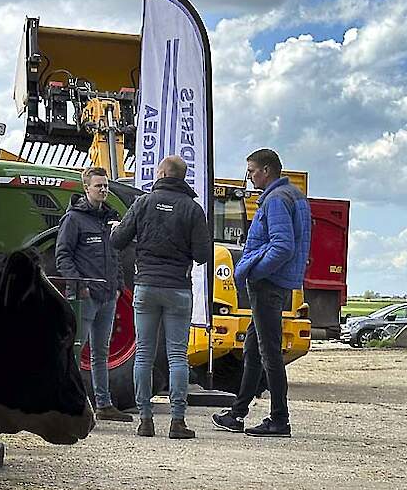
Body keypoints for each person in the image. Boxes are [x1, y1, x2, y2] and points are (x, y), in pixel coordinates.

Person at [211, 148, 311, 438]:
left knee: (269, 352)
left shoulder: (276, 200)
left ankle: (279, 419)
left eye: (252, 170)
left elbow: (282, 247)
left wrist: (254, 271)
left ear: (267, 170)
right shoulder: (293, 196)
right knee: (253, 350)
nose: (250, 176)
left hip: (268, 285)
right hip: (276, 283)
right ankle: (237, 413)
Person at [111, 156, 212, 439]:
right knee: (178, 355)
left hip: (145, 286)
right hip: (178, 289)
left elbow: (118, 241)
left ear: (164, 173)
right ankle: (177, 421)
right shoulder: (193, 209)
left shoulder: (142, 203)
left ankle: (145, 419)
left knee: (143, 352)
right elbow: (203, 255)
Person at [55, 166, 132, 423]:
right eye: (99, 186)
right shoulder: (74, 219)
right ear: (86, 188)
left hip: (108, 295)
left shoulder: (109, 219)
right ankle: (71, 405)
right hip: (85, 297)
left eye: (106, 185)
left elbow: (115, 255)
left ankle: (104, 404)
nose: (104, 190)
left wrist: (119, 284)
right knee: (76, 351)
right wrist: (79, 286)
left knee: (101, 352)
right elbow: (62, 255)